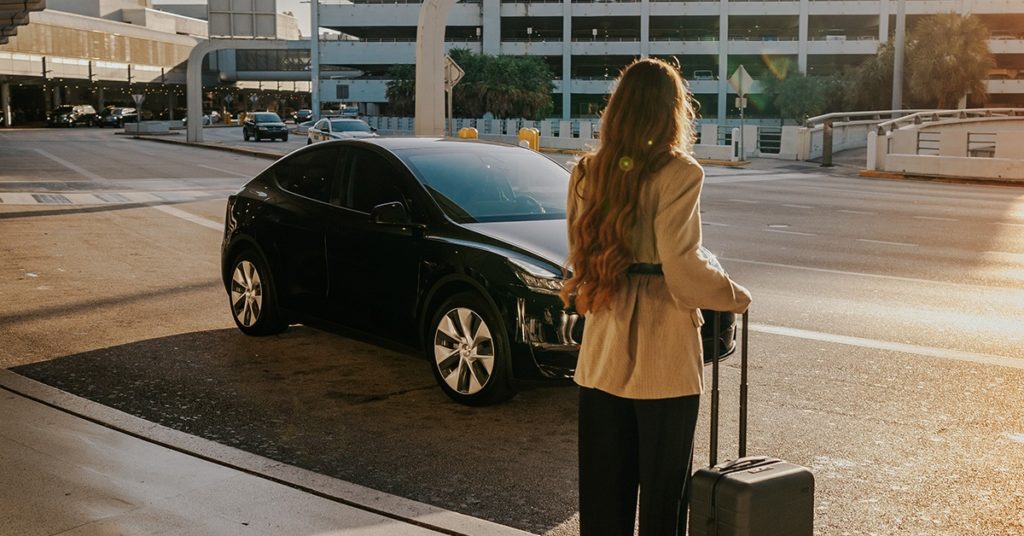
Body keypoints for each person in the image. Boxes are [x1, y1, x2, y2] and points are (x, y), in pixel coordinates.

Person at [560, 58, 752, 536]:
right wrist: (734, 295)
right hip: (663, 355)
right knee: (664, 499)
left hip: (603, 344)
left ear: (617, 109)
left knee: (604, 497)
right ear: (673, 111)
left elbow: (578, 255)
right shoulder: (680, 172)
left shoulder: (587, 170)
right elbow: (682, 268)